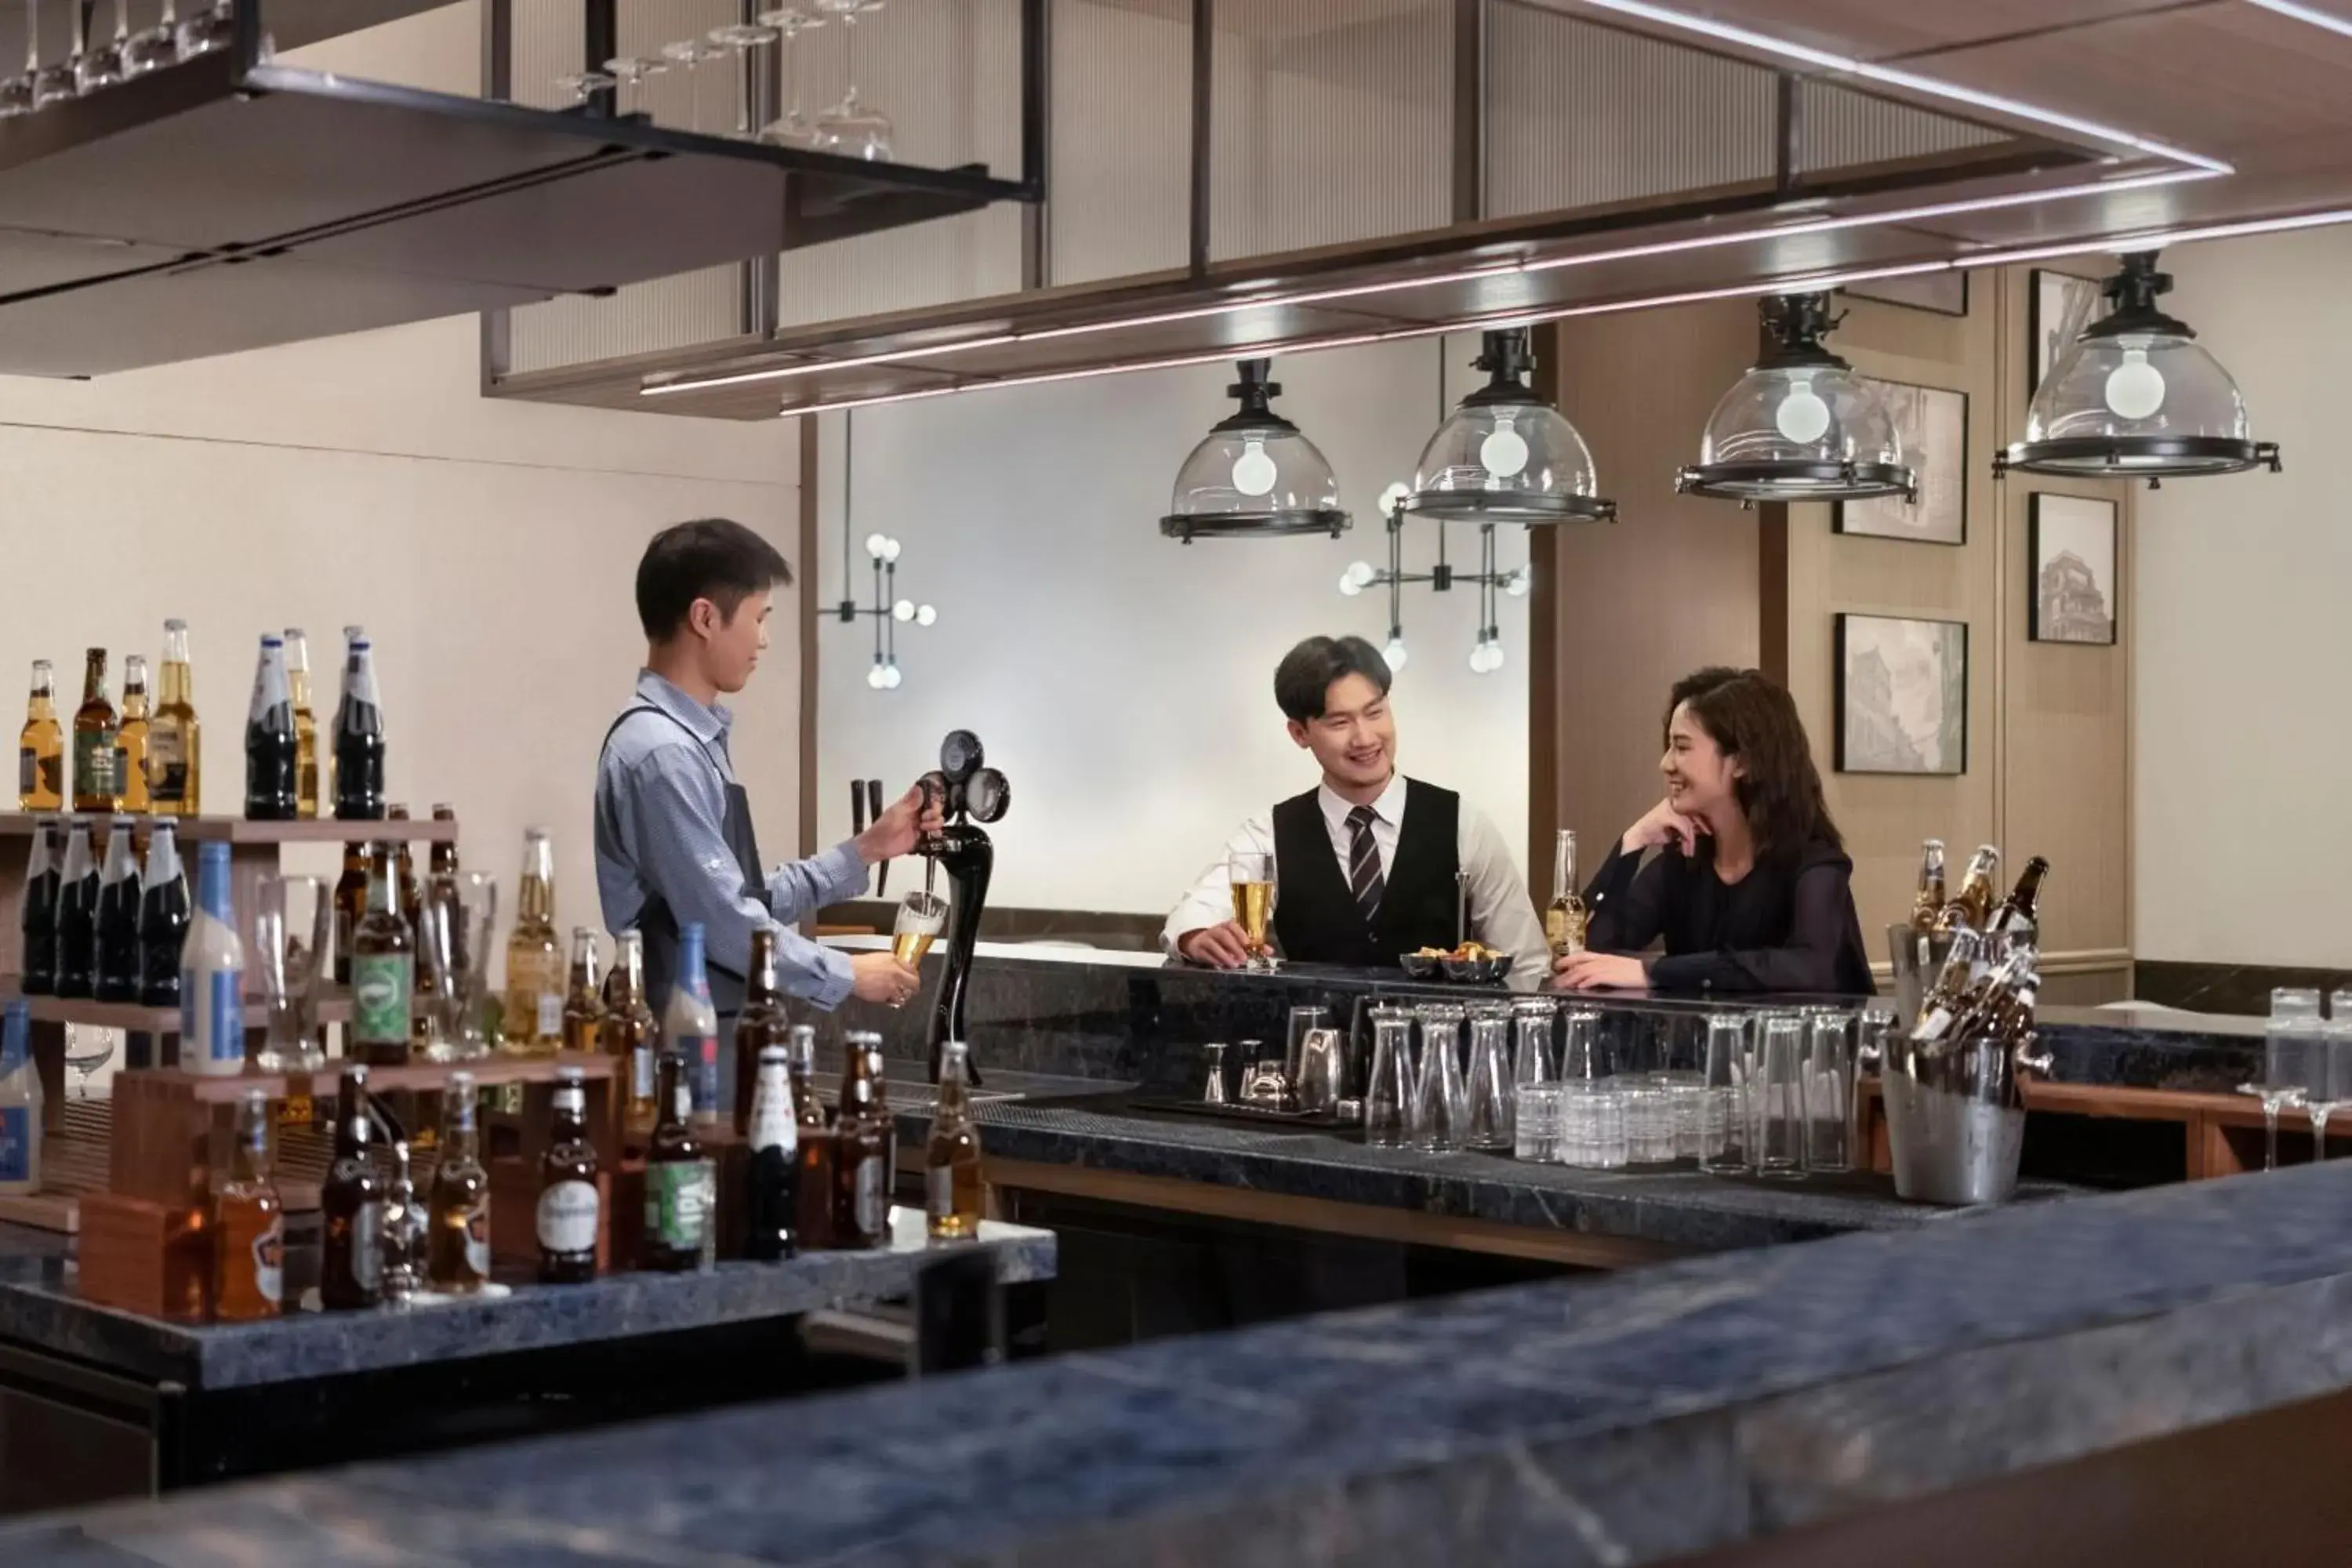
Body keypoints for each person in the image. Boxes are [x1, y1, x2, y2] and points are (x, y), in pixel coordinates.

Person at [595, 517, 933, 1026]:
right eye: (759, 617)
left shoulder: (687, 743)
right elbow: (725, 924)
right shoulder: (663, 755)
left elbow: (744, 897)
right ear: (705, 618)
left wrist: (868, 848)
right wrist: (848, 973)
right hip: (681, 1042)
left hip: (713, 1026)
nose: (766, 639)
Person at [1164, 634, 1548, 989]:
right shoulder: (1269, 834)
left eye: (1375, 712)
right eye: (1340, 722)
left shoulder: (1464, 823)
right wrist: (1195, 936)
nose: (1365, 738)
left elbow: (1526, 961)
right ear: (1300, 734)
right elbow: (1191, 912)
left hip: (1437, 1056)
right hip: (1314, 1050)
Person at [1553, 666, 1874, 996]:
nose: (1666, 764)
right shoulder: (1682, 863)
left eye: (1681, 747)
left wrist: (1655, 972)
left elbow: (1808, 968)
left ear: (1743, 762)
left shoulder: (1815, 862)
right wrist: (1632, 843)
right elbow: (1581, 953)